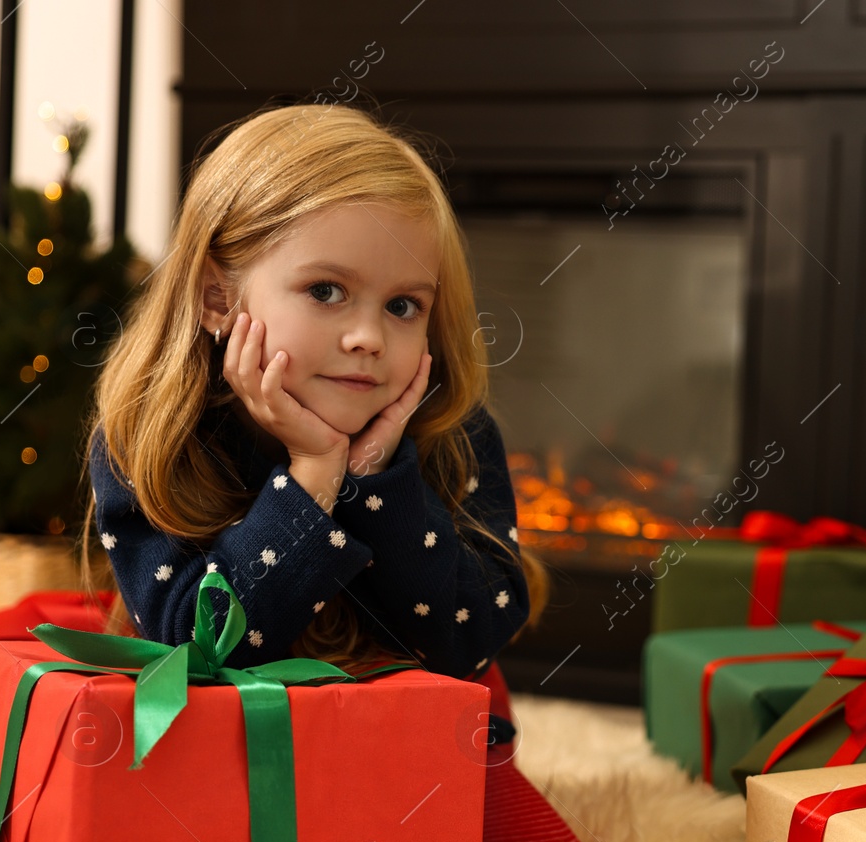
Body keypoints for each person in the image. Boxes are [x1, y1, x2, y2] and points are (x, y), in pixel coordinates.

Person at [80, 103, 549, 704]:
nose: (369, 339)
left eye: (402, 306)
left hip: (415, 754)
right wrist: (313, 474)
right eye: (326, 291)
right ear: (217, 298)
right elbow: (192, 657)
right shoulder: (148, 434)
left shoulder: (456, 430)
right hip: (226, 762)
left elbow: (469, 646)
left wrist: (374, 474)